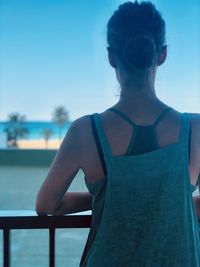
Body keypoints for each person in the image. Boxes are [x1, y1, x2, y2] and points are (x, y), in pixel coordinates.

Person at [36, 1, 200, 266]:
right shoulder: (195, 128)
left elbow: (46, 206)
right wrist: (166, 201)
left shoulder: (85, 131)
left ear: (112, 56)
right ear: (162, 55)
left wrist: (113, 195)